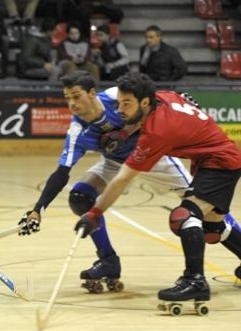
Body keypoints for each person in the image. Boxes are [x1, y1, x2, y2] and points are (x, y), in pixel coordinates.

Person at [20, 71, 241, 292]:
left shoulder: (117, 96)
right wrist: (38, 209)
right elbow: (62, 173)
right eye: (67, 98)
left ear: (92, 93)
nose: (72, 103)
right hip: (117, 162)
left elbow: (149, 100)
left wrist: (182, 98)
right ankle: (108, 261)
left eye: (76, 96)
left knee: (205, 212)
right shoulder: (78, 130)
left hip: (155, 157)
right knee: (80, 197)